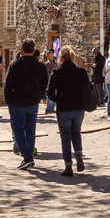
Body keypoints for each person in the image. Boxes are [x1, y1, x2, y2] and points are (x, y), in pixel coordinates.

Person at [46, 46, 91, 176]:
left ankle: (68, 166)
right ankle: (78, 153)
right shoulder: (80, 72)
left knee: (65, 138)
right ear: (72, 57)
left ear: (61, 57)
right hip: (78, 107)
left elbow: (49, 92)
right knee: (76, 132)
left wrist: (58, 99)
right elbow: (89, 88)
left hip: (64, 106)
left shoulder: (57, 72)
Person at [4, 39, 49, 170]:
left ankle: (27, 157)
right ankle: (29, 156)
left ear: (21, 50)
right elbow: (44, 83)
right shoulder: (40, 65)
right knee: (30, 130)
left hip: (17, 102)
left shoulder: (15, 64)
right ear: (34, 51)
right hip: (33, 101)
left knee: (18, 130)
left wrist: (8, 100)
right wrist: (40, 95)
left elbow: (8, 84)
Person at [42, 50, 59, 115]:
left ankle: (52, 108)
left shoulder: (55, 62)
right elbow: (46, 73)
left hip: (56, 81)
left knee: (55, 94)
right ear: (48, 55)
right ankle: (49, 109)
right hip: (50, 81)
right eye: (50, 53)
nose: (52, 54)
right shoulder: (47, 63)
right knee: (50, 95)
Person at [90, 47, 107, 113]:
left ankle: (101, 101)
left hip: (99, 76)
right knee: (95, 89)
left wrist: (95, 66)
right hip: (95, 76)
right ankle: (96, 100)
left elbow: (101, 67)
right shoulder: (96, 58)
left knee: (99, 89)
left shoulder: (101, 58)